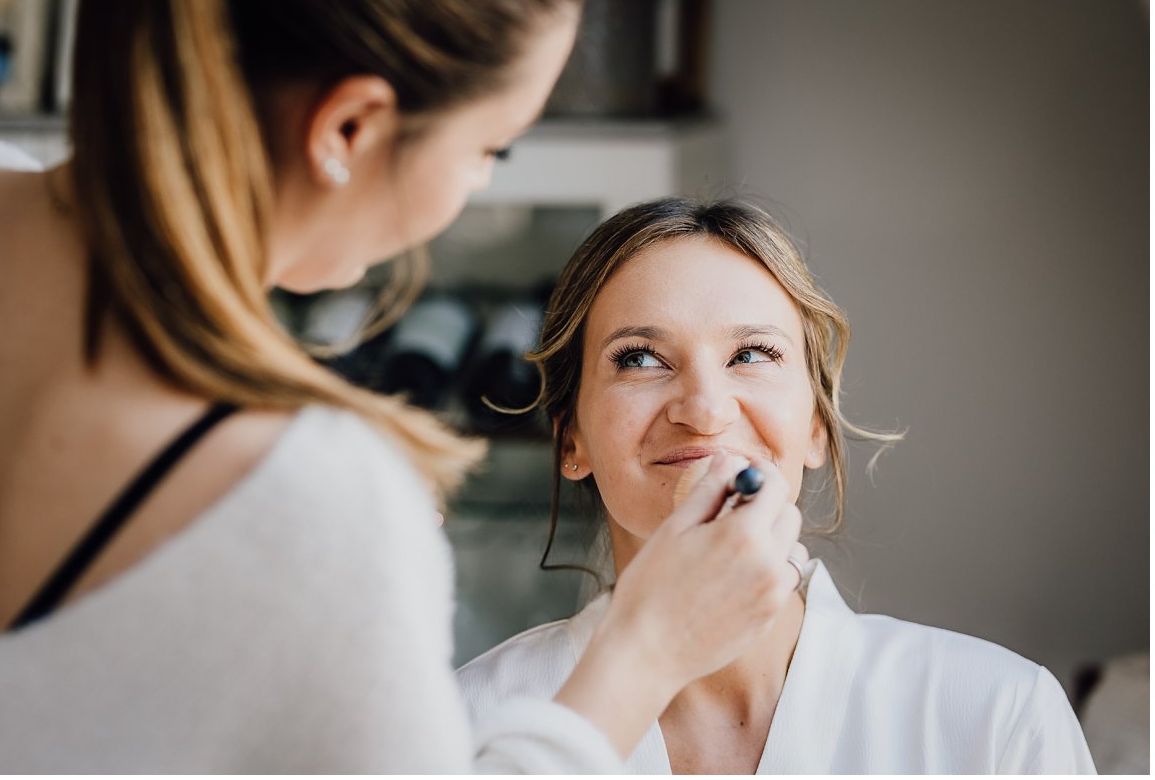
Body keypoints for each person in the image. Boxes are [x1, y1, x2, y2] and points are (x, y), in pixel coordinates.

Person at [0, 0, 810, 774]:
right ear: (348, 129)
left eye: (755, 354)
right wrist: (648, 649)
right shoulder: (321, 501)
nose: (703, 408)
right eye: (489, 147)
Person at [457, 197, 1097, 774]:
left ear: (816, 424)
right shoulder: (463, 728)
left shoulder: (998, 720)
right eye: (640, 359)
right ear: (571, 440)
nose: (705, 410)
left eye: (752, 355)